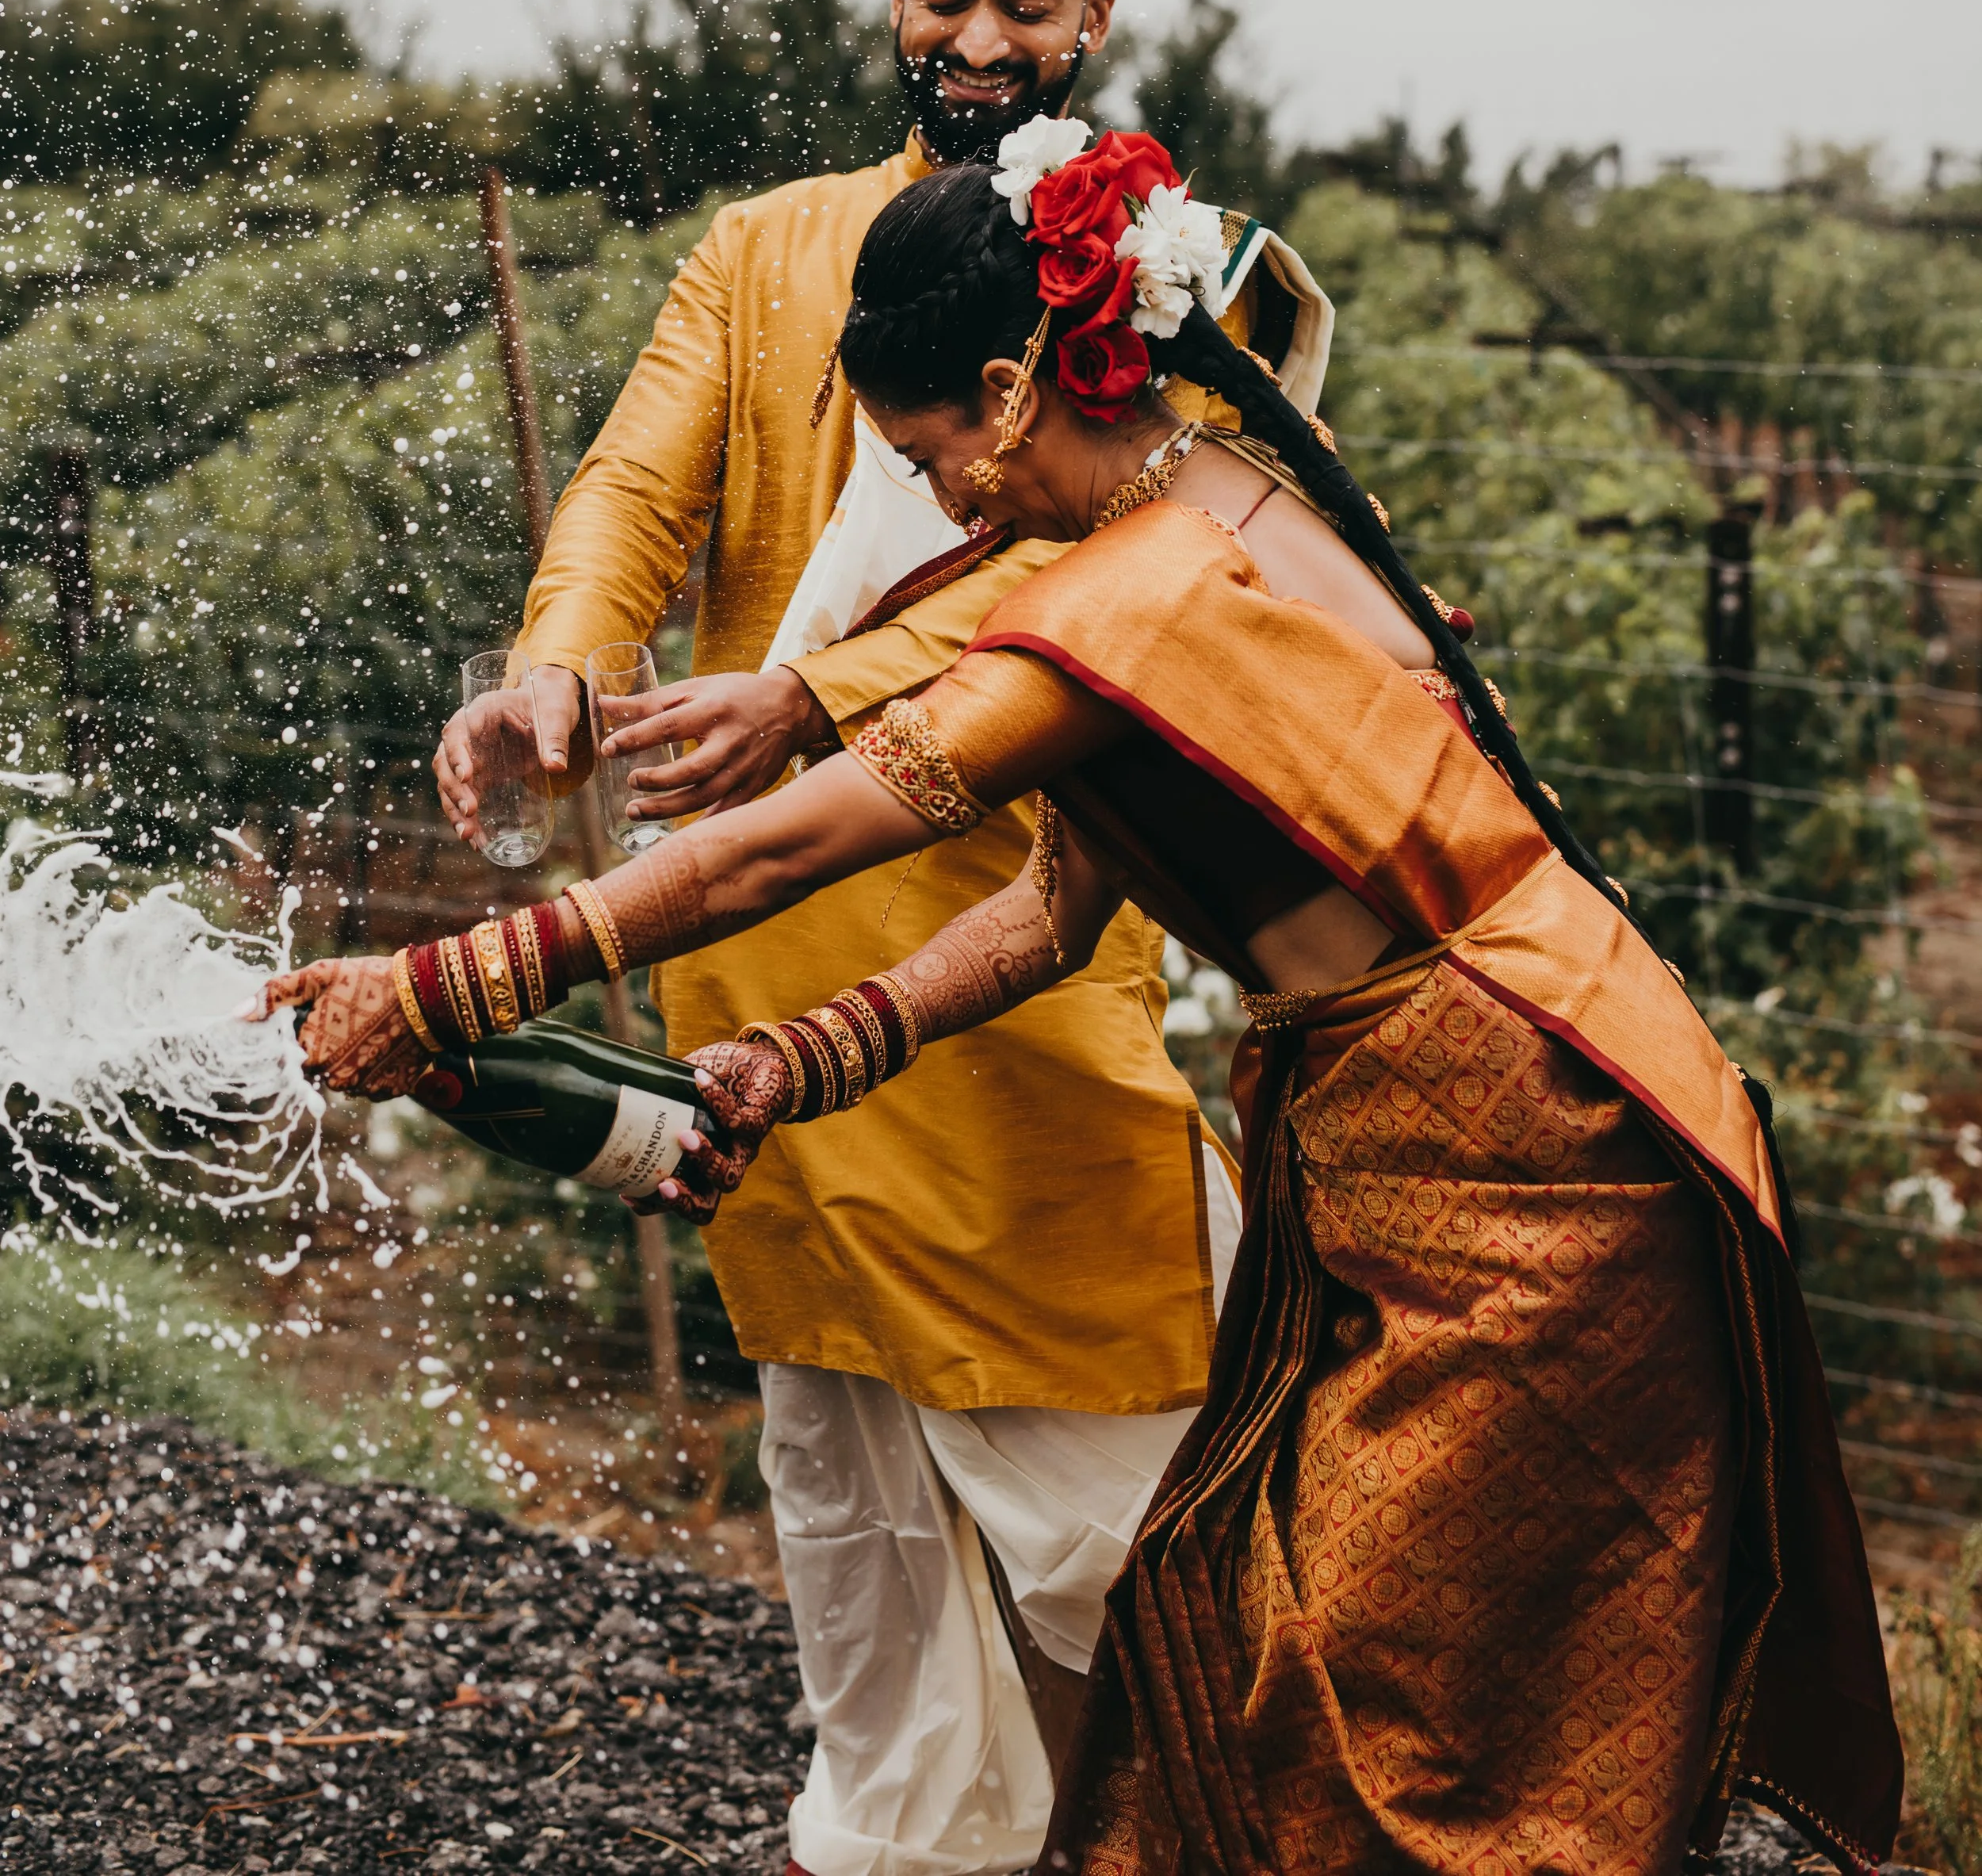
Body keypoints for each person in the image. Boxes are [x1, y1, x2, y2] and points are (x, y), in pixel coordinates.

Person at [275, 123, 1901, 1876]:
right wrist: (798, 1062)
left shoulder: (1133, 597)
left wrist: (442, 989)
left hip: (1527, 1145)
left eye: (929, 465)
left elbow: (774, 850)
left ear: (1005, 387)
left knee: (1373, 1704)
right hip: (1443, 1117)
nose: (951, 508)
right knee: (1251, 1621)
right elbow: (1057, 907)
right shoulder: (1221, 492)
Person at [426, 0, 1329, 1876]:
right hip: (753, 977)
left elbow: (1110, 609)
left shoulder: (1154, 303)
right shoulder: (757, 254)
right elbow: (631, 497)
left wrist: (808, 697)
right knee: (851, 1525)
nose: (982, 36)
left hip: (1016, 974)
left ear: (1092, 21)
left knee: (1138, 1524)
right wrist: (559, 662)